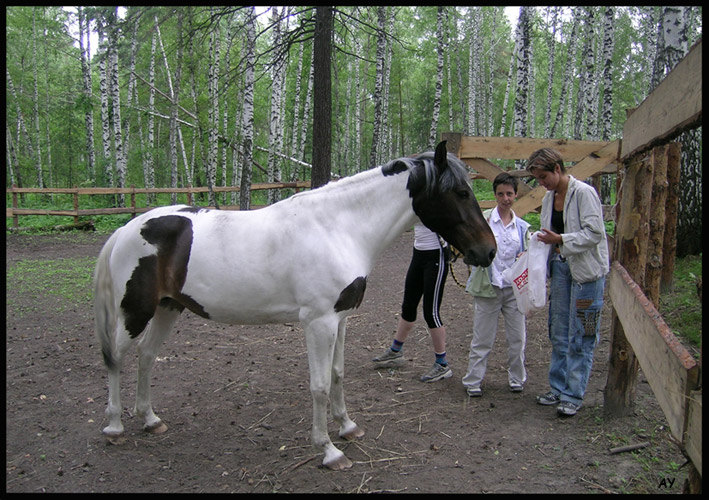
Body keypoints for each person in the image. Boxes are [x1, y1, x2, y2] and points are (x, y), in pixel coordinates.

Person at [526, 148, 609, 417]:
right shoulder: (550, 198)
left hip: (587, 274)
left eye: (544, 176)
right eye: (538, 179)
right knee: (559, 328)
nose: (542, 183)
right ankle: (558, 387)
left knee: (582, 331)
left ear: (558, 169)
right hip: (561, 269)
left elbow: (595, 233)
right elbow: (549, 232)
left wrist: (561, 240)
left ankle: (574, 393)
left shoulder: (583, 193)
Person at [461, 173, 530, 398]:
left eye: (509, 194)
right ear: (495, 195)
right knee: (482, 338)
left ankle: (517, 378)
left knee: (517, 337)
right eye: (500, 194)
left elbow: (529, 255)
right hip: (488, 287)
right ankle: (473, 380)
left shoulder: (522, 227)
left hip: (513, 289)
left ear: (516, 195)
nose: (505, 198)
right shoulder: (484, 221)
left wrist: (525, 255)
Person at [373, 222, 453, 383]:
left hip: (436, 255)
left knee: (431, 312)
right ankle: (396, 351)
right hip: (419, 253)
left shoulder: (435, 198)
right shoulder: (416, 197)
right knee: (408, 306)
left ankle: (442, 364)